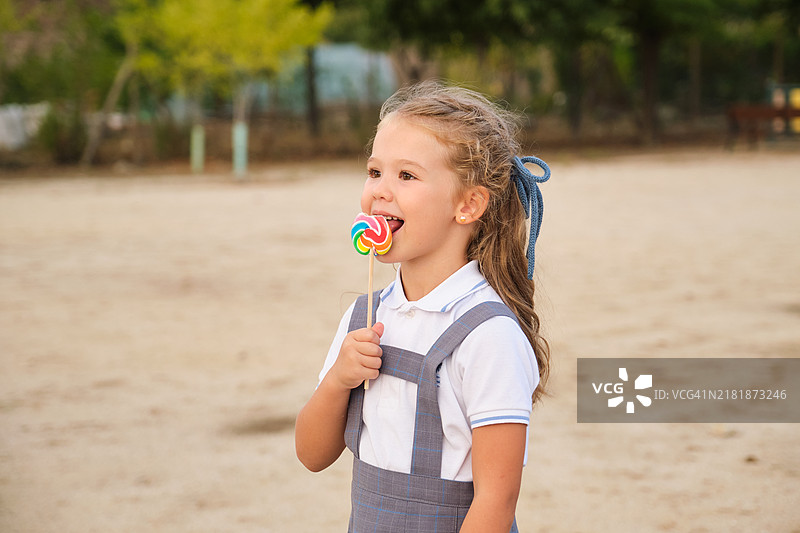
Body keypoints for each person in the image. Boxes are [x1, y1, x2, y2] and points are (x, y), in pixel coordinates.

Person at [295, 80, 551, 533]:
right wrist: (339, 379)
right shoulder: (366, 317)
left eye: (406, 176)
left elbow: (497, 498)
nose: (379, 191)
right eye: (375, 172)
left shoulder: (488, 335)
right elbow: (312, 455)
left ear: (468, 204)